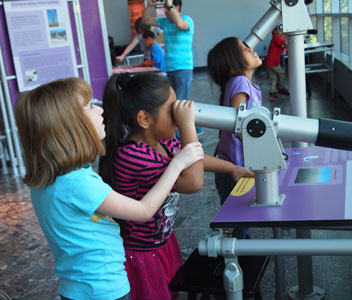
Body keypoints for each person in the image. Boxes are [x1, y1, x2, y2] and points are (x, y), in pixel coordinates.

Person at [15, 77, 204, 300]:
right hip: (103, 288)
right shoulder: (78, 184)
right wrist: (178, 164)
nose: (100, 111)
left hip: (77, 286)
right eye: (89, 106)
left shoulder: (49, 181)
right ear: (69, 127)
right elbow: (143, 210)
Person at [99, 72, 252, 300]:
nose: (177, 114)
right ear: (144, 119)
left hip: (163, 241)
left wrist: (231, 168)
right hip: (142, 253)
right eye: (172, 110)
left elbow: (193, 158)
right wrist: (187, 125)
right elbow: (194, 181)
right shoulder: (131, 154)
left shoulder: (162, 141)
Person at [207, 37, 263, 239]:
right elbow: (238, 124)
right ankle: (236, 262)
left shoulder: (247, 85)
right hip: (233, 168)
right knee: (239, 227)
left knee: (241, 222)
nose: (251, 49)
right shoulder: (240, 82)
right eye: (244, 48)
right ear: (232, 67)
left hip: (239, 166)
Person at [143, 0, 204, 136]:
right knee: (180, 100)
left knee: (178, 103)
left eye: (167, 8)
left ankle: (177, 136)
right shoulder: (164, 22)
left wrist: (169, 4)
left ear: (176, 7)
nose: (164, 11)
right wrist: (150, 5)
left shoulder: (187, 20)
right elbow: (146, 20)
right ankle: (197, 129)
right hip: (170, 68)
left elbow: (179, 24)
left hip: (183, 68)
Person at [264, 26, 290, 100]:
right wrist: (286, 37)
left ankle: (272, 93)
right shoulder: (276, 37)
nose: (281, 32)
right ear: (275, 32)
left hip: (269, 62)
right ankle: (281, 89)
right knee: (281, 73)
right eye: (279, 31)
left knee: (274, 78)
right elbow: (285, 44)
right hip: (272, 62)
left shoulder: (275, 39)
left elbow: (281, 47)